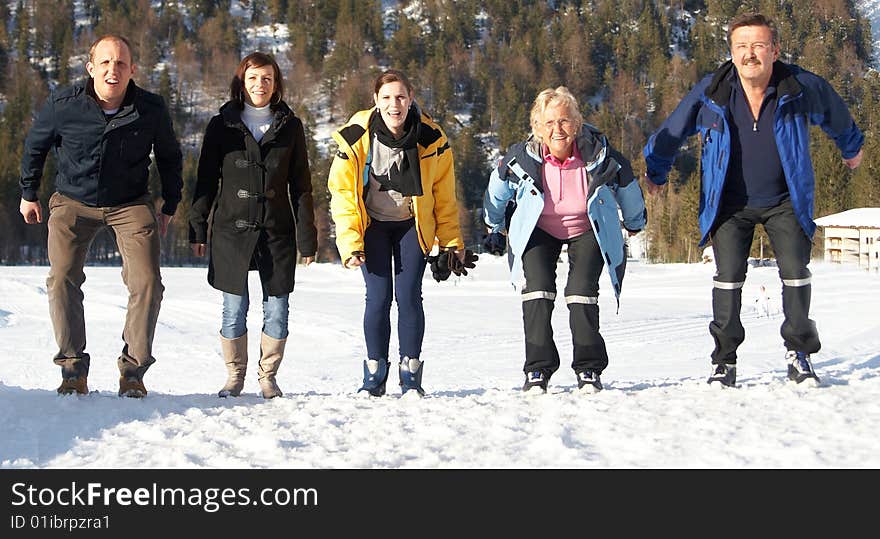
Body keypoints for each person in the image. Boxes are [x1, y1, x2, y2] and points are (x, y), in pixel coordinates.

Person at [643, 12, 864, 387]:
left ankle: (799, 354)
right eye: (742, 47)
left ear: (774, 50)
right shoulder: (713, 91)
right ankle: (724, 362)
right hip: (729, 203)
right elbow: (674, 127)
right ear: (731, 52)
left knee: (795, 273)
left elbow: (834, 110)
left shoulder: (797, 86)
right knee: (728, 278)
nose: (750, 54)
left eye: (759, 46)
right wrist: (656, 169)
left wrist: (850, 146)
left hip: (785, 198)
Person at [19, 35, 183, 398]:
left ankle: (133, 372)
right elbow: (35, 146)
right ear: (91, 67)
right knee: (62, 279)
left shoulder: (151, 108)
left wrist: (170, 203)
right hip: (73, 201)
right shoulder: (64, 105)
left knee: (148, 283)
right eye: (106, 63)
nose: (113, 70)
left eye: (121, 63)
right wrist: (28, 194)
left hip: (130, 203)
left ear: (132, 70)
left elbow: (170, 157)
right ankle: (73, 370)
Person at [483, 87, 647, 394]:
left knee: (580, 293)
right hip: (539, 229)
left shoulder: (601, 154)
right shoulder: (522, 157)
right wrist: (492, 223)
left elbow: (628, 188)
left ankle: (588, 368)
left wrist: (635, 222)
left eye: (565, 120)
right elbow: (497, 190)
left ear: (578, 122)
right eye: (549, 123)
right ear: (536, 127)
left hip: (587, 228)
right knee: (537, 291)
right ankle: (537, 370)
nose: (557, 129)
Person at [327, 69, 475, 397]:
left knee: (408, 296)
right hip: (372, 226)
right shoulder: (355, 138)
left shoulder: (432, 139)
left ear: (411, 99)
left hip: (412, 225)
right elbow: (342, 194)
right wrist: (350, 242)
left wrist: (451, 243)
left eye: (401, 97)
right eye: (387, 98)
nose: (395, 104)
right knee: (378, 298)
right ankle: (374, 375)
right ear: (376, 102)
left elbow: (444, 196)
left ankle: (411, 375)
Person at [189, 52, 317, 399]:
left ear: (276, 85)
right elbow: (205, 180)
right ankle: (235, 377)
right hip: (231, 231)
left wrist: (308, 239)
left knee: (277, 308)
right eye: (253, 78)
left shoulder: (291, 126)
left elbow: (301, 186)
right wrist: (197, 228)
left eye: (267, 78)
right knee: (234, 309)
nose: (260, 85)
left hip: (277, 232)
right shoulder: (221, 125)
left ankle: (268, 377)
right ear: (241, 83)